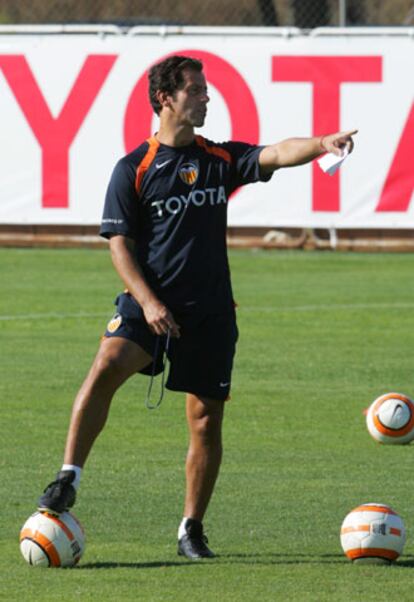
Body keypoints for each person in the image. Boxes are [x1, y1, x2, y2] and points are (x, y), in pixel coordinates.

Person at [37, 55, 356, 559]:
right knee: (103, 367)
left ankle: (191, 529)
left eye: (205, 90)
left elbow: (275, 153)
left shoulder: (218, 160)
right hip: (149, 304)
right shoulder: (133, 169)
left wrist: (321, 145)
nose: (206, 97)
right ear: (166, 98)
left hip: (209, 312)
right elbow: (118, 244)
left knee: (205, 421)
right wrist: (148, 301)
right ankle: (66, 478)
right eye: (196, 90)